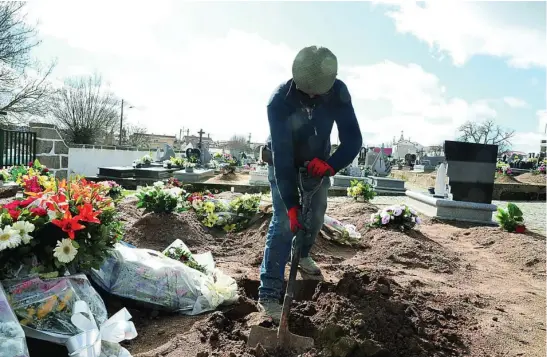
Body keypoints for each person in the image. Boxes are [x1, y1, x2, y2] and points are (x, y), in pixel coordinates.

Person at [258, 46, 363, 322]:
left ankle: (303, 254)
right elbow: (281, 157)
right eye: (309, 92)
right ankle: (269, 292)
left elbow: (353, 139)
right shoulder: (279, 101)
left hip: (318, 162)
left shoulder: (338, 92)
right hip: (284, 162)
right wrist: (292, 205)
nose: (314, 97)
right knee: (282, 223)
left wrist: (330, 164)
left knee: (316, 215)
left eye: (320, 92)